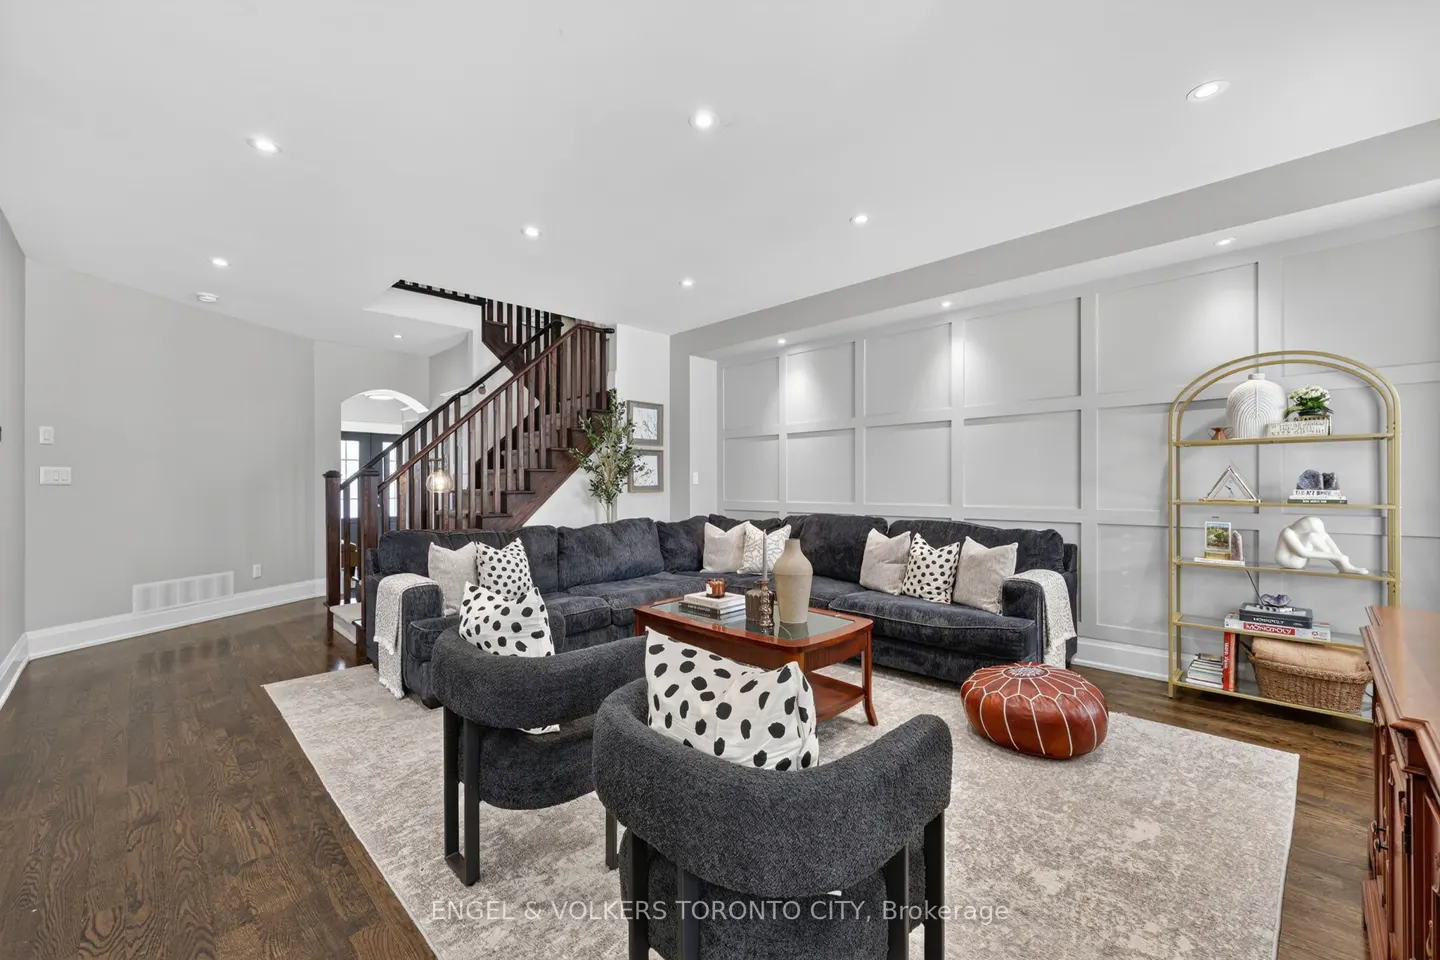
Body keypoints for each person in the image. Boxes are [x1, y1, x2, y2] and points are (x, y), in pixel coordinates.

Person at [1275, 516, 1368, 575]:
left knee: (1313, 536)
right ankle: (1343, 564)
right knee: (1312, 536)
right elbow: (1303, 553)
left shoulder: (1306, 532)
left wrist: (1339, 555)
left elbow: (1326, 537)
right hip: (1289, 561)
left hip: (1299, 559)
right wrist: (1336, 557)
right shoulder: (1287, 532)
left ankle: (1345, 566)